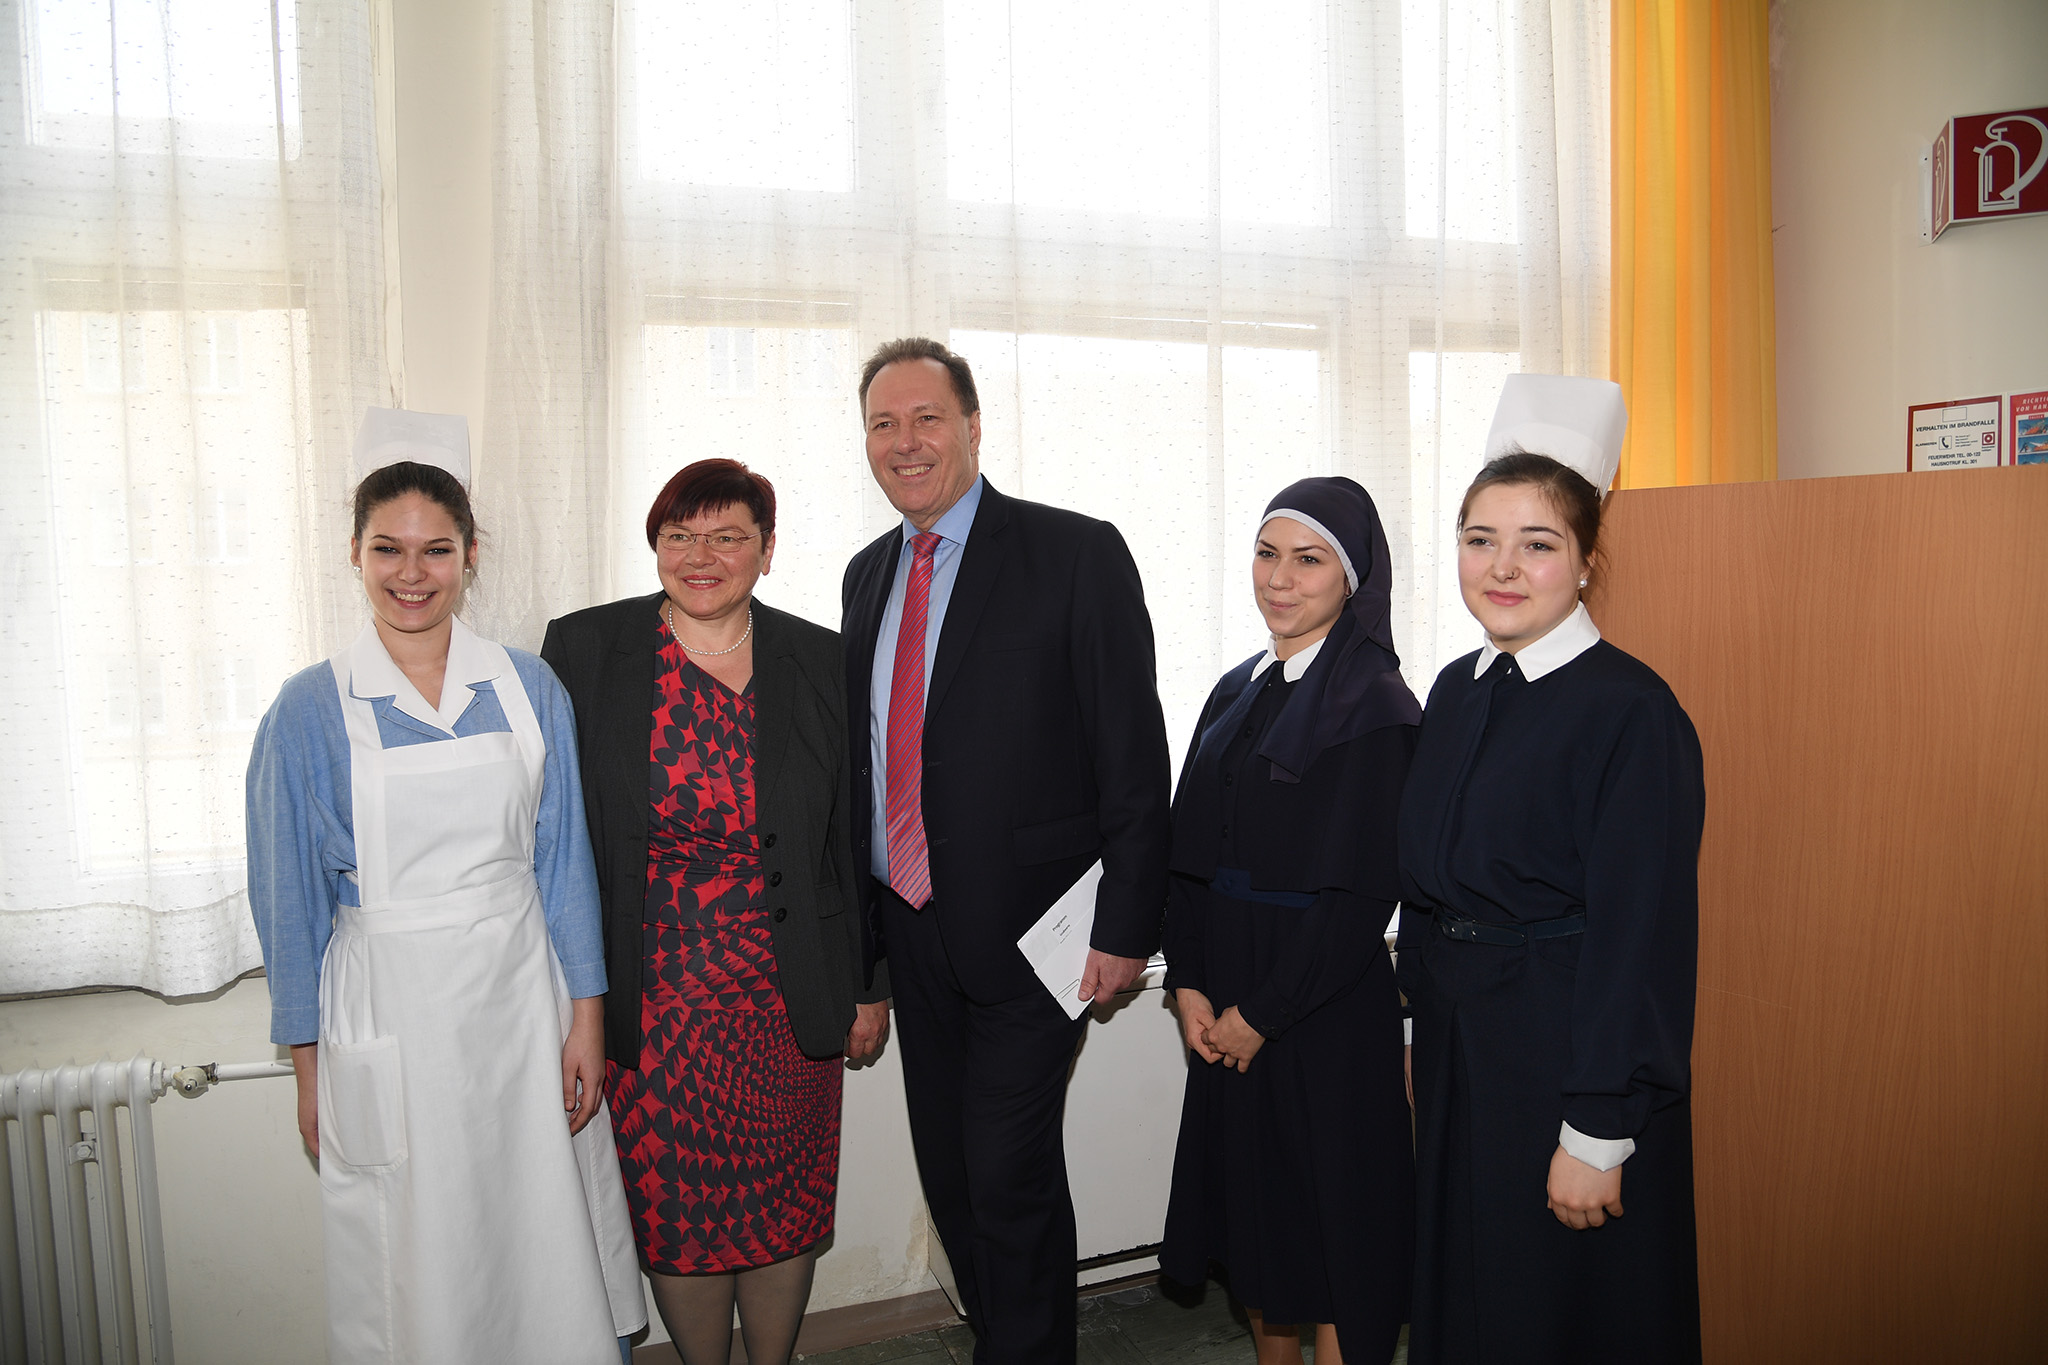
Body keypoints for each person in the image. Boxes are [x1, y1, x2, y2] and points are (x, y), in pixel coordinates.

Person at [246, 408, 645, 1365]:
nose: (411, 573)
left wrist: (586, 1017)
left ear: (472, 553)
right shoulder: (308, 710)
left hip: (520, 1006)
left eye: (436, 549)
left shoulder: (526, 687)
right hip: (392, 1020)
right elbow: (288, 907)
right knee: (418, 1259)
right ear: (355, 552)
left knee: (541, 1234)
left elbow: (564, 863)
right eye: (388, 548)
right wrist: (310, 1069)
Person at [841, 338, 1172, 1364]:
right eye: (884, 424)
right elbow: (868, 773)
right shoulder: (865, 578)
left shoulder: (1073, 554)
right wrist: (869, 963)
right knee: (950, 1176)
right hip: (915, 930)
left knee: (1005, 1172)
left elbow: (1132, 761)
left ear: (973, 427)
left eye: (925, 419)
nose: (906, 442)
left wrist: (1124, 928)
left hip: (1042, 940)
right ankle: (1010, 1344)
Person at [541, 459, 887, 1365]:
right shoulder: (584, 651)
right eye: (679, 535)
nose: (702, 555)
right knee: (680, 1212)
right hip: (655, 1005)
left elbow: (852, 838)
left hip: (790, 993)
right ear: (654, 545)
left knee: (781, 1208)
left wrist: (869, 984)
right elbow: (553, 835)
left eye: (728, 535)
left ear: (766, 552)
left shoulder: (817, 657)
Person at [1396, 376, 1706, 1364]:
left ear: (1583, 565)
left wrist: (1597, 1131)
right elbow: (1429, 883)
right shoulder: (1456, 687)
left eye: (1537, 544)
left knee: (1558, 1312)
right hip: (1460, 1047)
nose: (1501, 566)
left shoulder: (1630, 713)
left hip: (1561, 1054)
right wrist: (1415, 1019)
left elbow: (1640, 938)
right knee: (1466, 1290)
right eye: (1479, 538)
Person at [1159, 477, 1420, 1365]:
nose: (1280, 578)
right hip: (1228, 988)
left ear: (1353, 579)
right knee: (1260, 1220)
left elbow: (1360, 898)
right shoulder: (1236, 689)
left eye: (1308, 560)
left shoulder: (1380, 707)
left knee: (1335, 1226)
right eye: (1268, 554)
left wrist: (1262, 1013)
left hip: (1319, 1006)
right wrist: (1190, 982)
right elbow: (1187, 858)